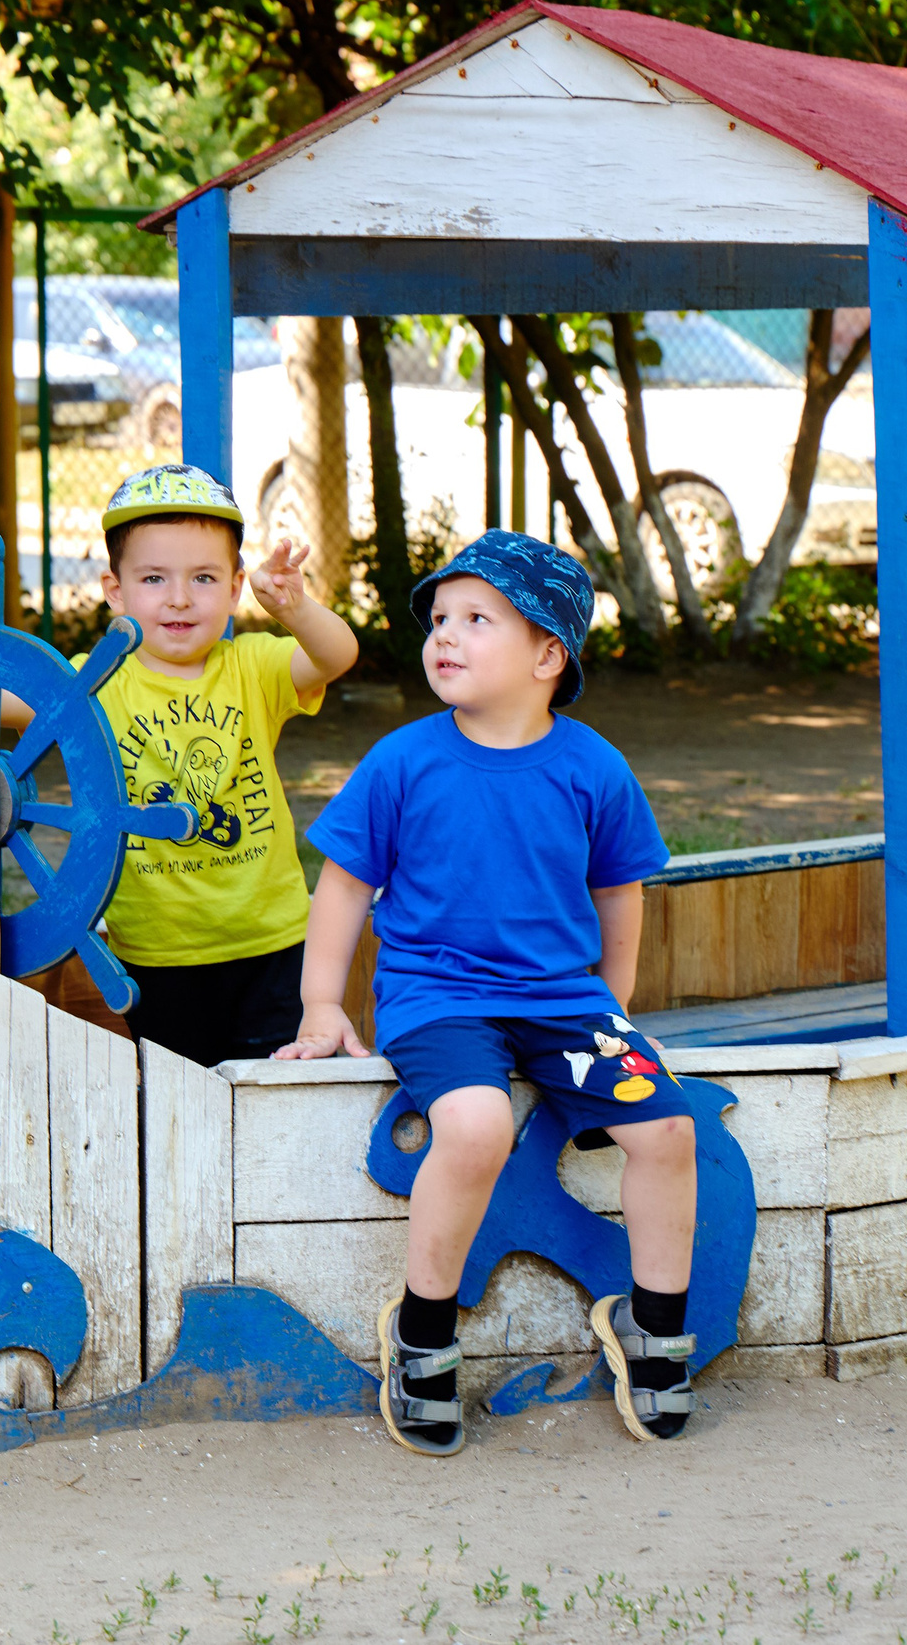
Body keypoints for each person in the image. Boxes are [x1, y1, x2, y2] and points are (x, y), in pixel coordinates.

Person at [275, 529, 695, 1454]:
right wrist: (321, 1001)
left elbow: (619, 890)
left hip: (565, 1002)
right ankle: (423, 1332)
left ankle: (654, 1325)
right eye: (438, 619)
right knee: (475, 1127)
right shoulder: (403, 760)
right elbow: (343, 883)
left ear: (549, 654)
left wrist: (612, 1008)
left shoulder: (592, 767)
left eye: (476, 618)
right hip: (439, 999)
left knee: (667, 1129)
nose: (444, 636)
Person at [0, 464, 358, 1065]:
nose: (178, 597)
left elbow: (336, 655)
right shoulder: (97, 676)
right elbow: (8, 703)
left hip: (272, 941)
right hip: (155, 948)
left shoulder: (254, 667)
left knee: (275, 1088)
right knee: (182, 1092)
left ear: (235, 586)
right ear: (115, 590)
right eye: (153, 578)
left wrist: (296, 610)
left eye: (203, 577)